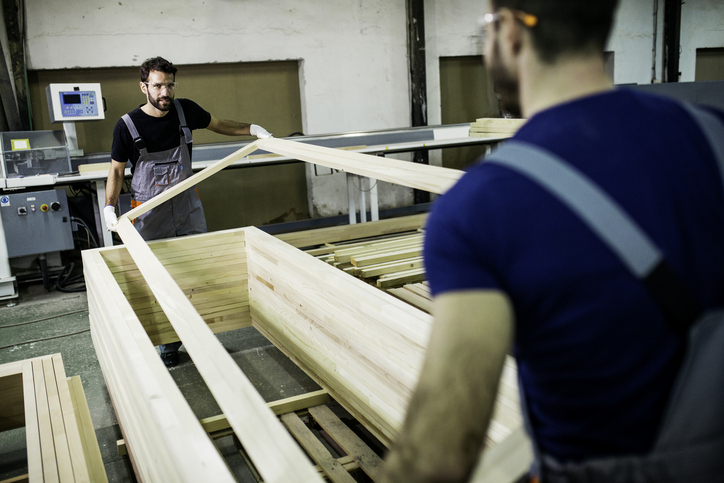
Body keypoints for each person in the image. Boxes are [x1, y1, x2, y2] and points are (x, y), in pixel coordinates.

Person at [381, 0, 724, 481]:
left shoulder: (480, 209)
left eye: (486, 28)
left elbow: (437, 459)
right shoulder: (712, 134)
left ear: (510, 31)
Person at [103, 56, 272, 367]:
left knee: (197, 273)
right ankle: (168, 344)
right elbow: (115, 171)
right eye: (157, 86)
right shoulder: (127, 127)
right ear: (144, 87)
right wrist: (109, 207)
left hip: (188, 208)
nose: (165, 92)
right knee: (159, 281)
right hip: (150, 215)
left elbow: (219, 124)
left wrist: (252, 129)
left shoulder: (185, 110)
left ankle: (201, 333)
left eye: (169, 85)